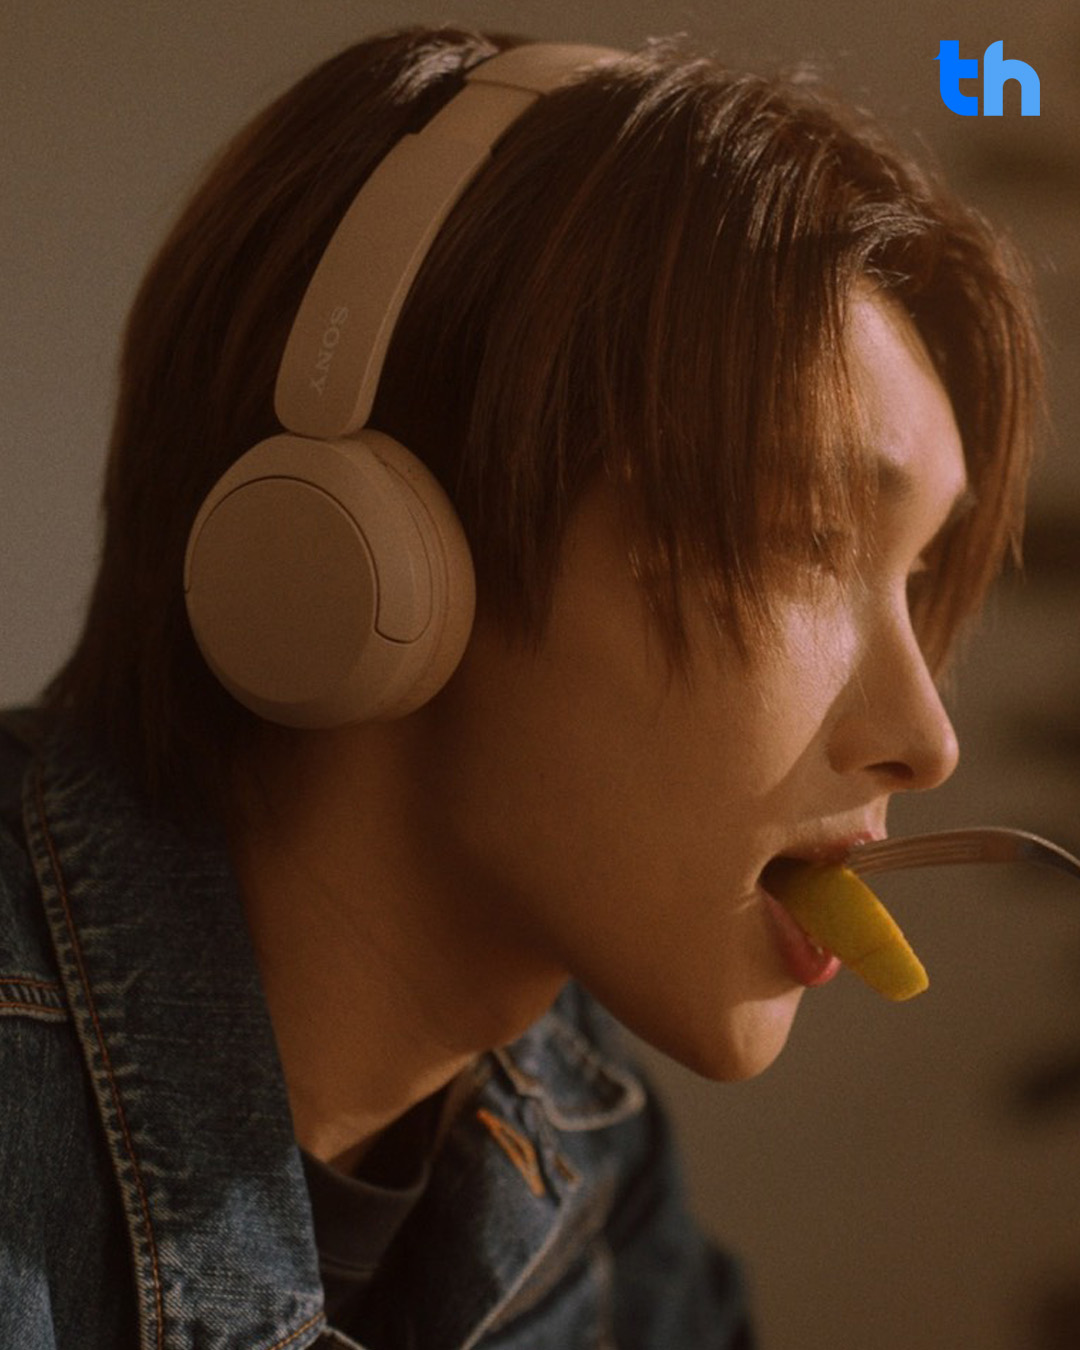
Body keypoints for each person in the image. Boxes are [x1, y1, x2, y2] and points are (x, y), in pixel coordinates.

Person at [0, 24, 1041, 1350]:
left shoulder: (585, 1138)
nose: (927, 741)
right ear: (373, 542)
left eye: (917, 576)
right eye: (805, 539)